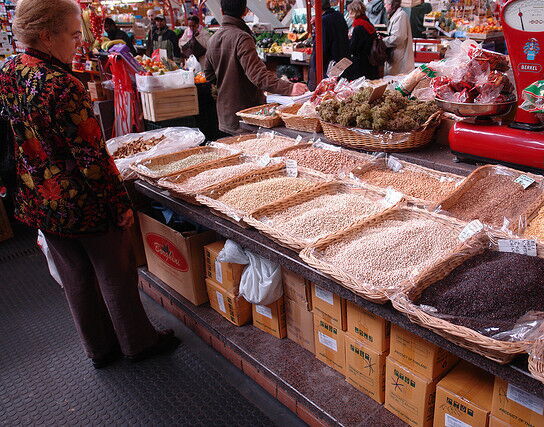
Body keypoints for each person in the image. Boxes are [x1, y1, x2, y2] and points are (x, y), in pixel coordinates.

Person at [0, 0, 180, 369]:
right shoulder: (63, 85)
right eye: (71, 34)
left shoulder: (9, 70)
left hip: (38, 197)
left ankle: (99, 349)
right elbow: (93, 159)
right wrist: (119, 205)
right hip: (82, 201)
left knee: (74, 277)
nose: (77, 42)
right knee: (115, 272)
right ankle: (137, 343)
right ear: (47, 36)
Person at [204, 0, 307, 135]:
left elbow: (209, 75)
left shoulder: (214, 38)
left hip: (225, 114)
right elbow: (257, 75)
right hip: (246, 115)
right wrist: (289, 88)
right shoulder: (242, 38)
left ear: (222, 11)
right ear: (245, 12)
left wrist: (226, 82)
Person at [308, 0, 350, 90]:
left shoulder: (323, 21)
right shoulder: (338, 15)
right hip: (342, 61)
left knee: (328, 93)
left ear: (316, 6)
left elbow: (322, 47)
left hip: (329, 66)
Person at [344, 0, 379, 81]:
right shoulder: (367, 22)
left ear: (355, 12)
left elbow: (353, 49)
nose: (349, 16)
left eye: (350, 13)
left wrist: (349, 40)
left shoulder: (358, 27)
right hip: (370, 62)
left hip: (361, 65)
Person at [383, 0, 414, 75]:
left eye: (385, 4)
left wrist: (382, 41)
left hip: (400, 59)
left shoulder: (400, 15)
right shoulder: (396, 15)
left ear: (391, 5)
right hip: (396, 57)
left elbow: (398, 37)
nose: (384, 6)